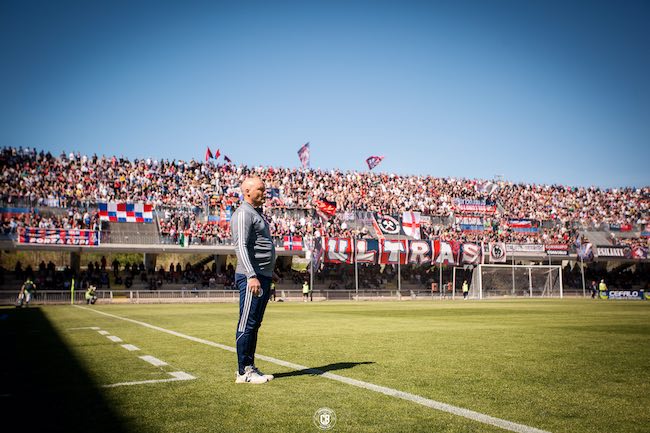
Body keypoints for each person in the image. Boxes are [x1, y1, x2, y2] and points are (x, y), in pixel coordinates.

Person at [232, 177, 276, 385]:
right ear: (247, 191)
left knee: (255, 324)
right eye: (260, 188)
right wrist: (251, 275)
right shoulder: (243, 213)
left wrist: (269, 272)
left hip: (262, 276)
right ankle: (243, 372)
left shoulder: (257, 214)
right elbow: (240, 246)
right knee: (247, 322)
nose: (264, 191)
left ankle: (249, 367)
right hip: (252, 277)